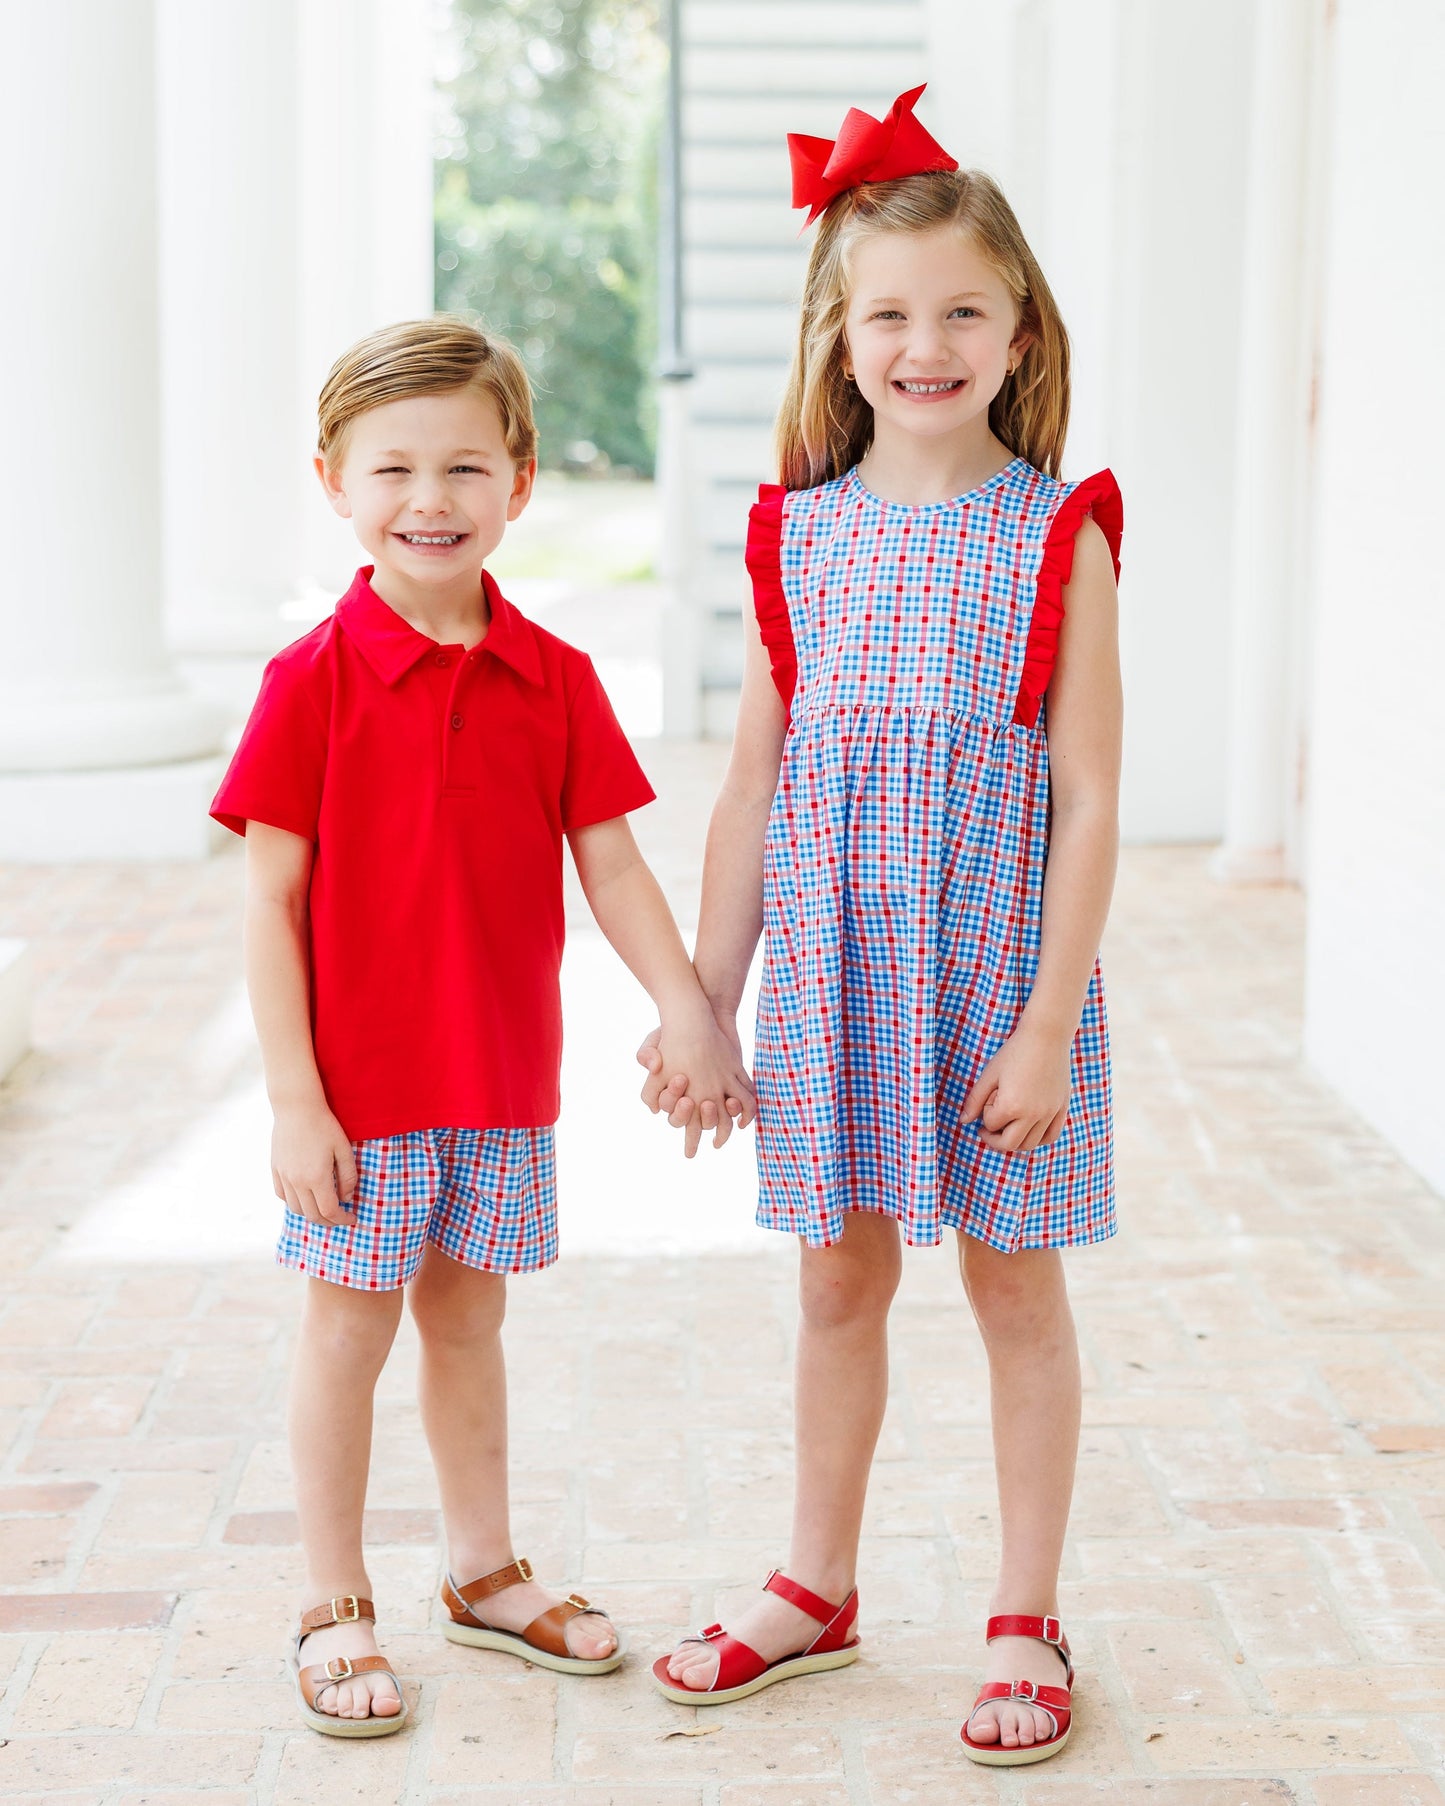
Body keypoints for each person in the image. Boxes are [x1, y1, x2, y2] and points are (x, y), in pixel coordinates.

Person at [641, 88, 1123, 1769]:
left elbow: (1088, 801)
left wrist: (1050, 1019)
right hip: (840, 978)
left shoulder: (1059, 533)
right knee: (837, 1285)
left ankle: (1022, 1611)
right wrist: (707, 997)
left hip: (997, 981)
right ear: (839, 338)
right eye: (891, 313)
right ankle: (817, 1583)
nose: (927, 343)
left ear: (1016, 328)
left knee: (1011, 1287)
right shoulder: (796, 531)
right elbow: (751, 785)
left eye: (961, 310)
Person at [211, 317, 751, 1737]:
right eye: (393, 467)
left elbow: (616, 863)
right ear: (334, 480)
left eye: (464, 464)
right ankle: (333, 1596)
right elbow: (269, 905)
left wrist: (687, 1007)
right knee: (348, 1328)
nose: (429, 498)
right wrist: (291, 1099)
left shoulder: (554, 674)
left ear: (519, 481)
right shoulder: (311, 680)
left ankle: (479, 1567)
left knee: (469, 1316)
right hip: (360, 1092)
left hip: (498, 1078)